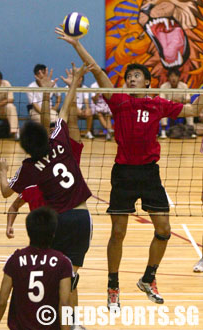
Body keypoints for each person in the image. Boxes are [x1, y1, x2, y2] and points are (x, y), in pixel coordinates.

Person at [55, 27, 203, 307]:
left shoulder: (158, 104)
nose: (131, 78)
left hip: (149, 173)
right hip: (123, 173)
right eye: (128, 77)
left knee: (163, 230)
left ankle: (148, 278)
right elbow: (97, 69)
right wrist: (76, 44)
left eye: (136, 76)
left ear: (146, 82)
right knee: (118, 233)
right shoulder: (118, 100)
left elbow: (194, 111)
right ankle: (113, 285)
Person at [0, 63, 92, 330]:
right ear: (46, 135)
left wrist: (3, 171)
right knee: (71, 276)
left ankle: (56, 322)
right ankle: (72, 325)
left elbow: (6, 192)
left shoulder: (28, 169)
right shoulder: (60, 141)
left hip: (59, 221)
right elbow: (63, 111)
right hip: (83, 218)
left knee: (60, 278)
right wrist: (70, 84)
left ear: (25, 147)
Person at [6, 67, 84, 238]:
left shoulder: (31, 169)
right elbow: (66, 120)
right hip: (75, 216)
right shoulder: (66, 150)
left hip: (57, 221)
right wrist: (72, 88)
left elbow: (53, 122)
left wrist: (47, 92)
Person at [0, 206, 72, 330]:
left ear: (28, 231)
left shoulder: (15, 259)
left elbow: (2, 300)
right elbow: (65, 304)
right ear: (54, 233)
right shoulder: (63, 262)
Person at [160, 68, 196, 139]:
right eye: (171, 76)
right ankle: (163, 132)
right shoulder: (163, 86)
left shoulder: (184, 86)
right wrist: (173, 101)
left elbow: (188, 100)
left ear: (179, 77)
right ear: (168, 78)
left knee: (188, 106)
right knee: (162, 108)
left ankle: (192, 131)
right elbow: (162, 100)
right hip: (169, 108)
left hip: (181, 107)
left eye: (175, 76)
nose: (173, 78)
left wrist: (179, 101)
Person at [90, 71, 113, 141]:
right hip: (96, 104)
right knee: (99, 113)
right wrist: (99, 90)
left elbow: (111, 98)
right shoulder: (93, 86)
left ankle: (108, 134)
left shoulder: (109, 85)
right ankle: (109, 129)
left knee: (108, 116)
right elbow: (94, 100)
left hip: (106, 104)